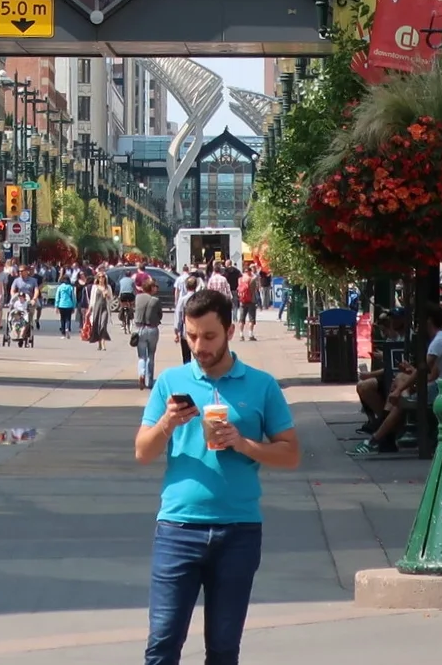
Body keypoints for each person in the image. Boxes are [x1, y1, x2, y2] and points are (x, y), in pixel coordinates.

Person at [133, 288, 299, 665]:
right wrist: (166, 423)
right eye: (191, 336)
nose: (199, 346)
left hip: (238, 530)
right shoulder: (171, 382)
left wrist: (244, 444)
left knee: (223, 649)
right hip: (178, 528)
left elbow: (290, 454)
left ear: (229, 331)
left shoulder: (261, 385)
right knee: (162, 644)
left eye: (209, 336)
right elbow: (143, 452)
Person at [356, 305, 442, 456]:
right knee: (400, 382)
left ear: (428, 321)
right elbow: (431, 374)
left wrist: (398, 390)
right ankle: (383, 433)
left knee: (401, 397)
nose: (417, 324)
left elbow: (424, 371)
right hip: (436, 384)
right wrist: (409, 371)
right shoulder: (437, 339)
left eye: (419, 320)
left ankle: (377, 437)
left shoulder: (438, 341)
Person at [131, 286, 164, 388]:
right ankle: (149, 381)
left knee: (141, 356)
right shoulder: (156, 300)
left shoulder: (138, 298)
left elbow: (134, 309)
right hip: (152, 328)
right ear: (151, 289)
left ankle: (142, 373)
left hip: (139, 328)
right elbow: (160, 315)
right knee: (151, 354)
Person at [85, 273, 113, 350]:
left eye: (103, 277)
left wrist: (107, 295)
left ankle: (103, 344)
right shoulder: (95, 287)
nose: (101, 278)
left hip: (105, 308)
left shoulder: (108, 287)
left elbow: (111, 299)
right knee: (96, 326)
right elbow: (92, 299)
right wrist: (89, 310)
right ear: (97, 278)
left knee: (103, 325)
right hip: (96, 308)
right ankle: (99, 343)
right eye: (100, 277)